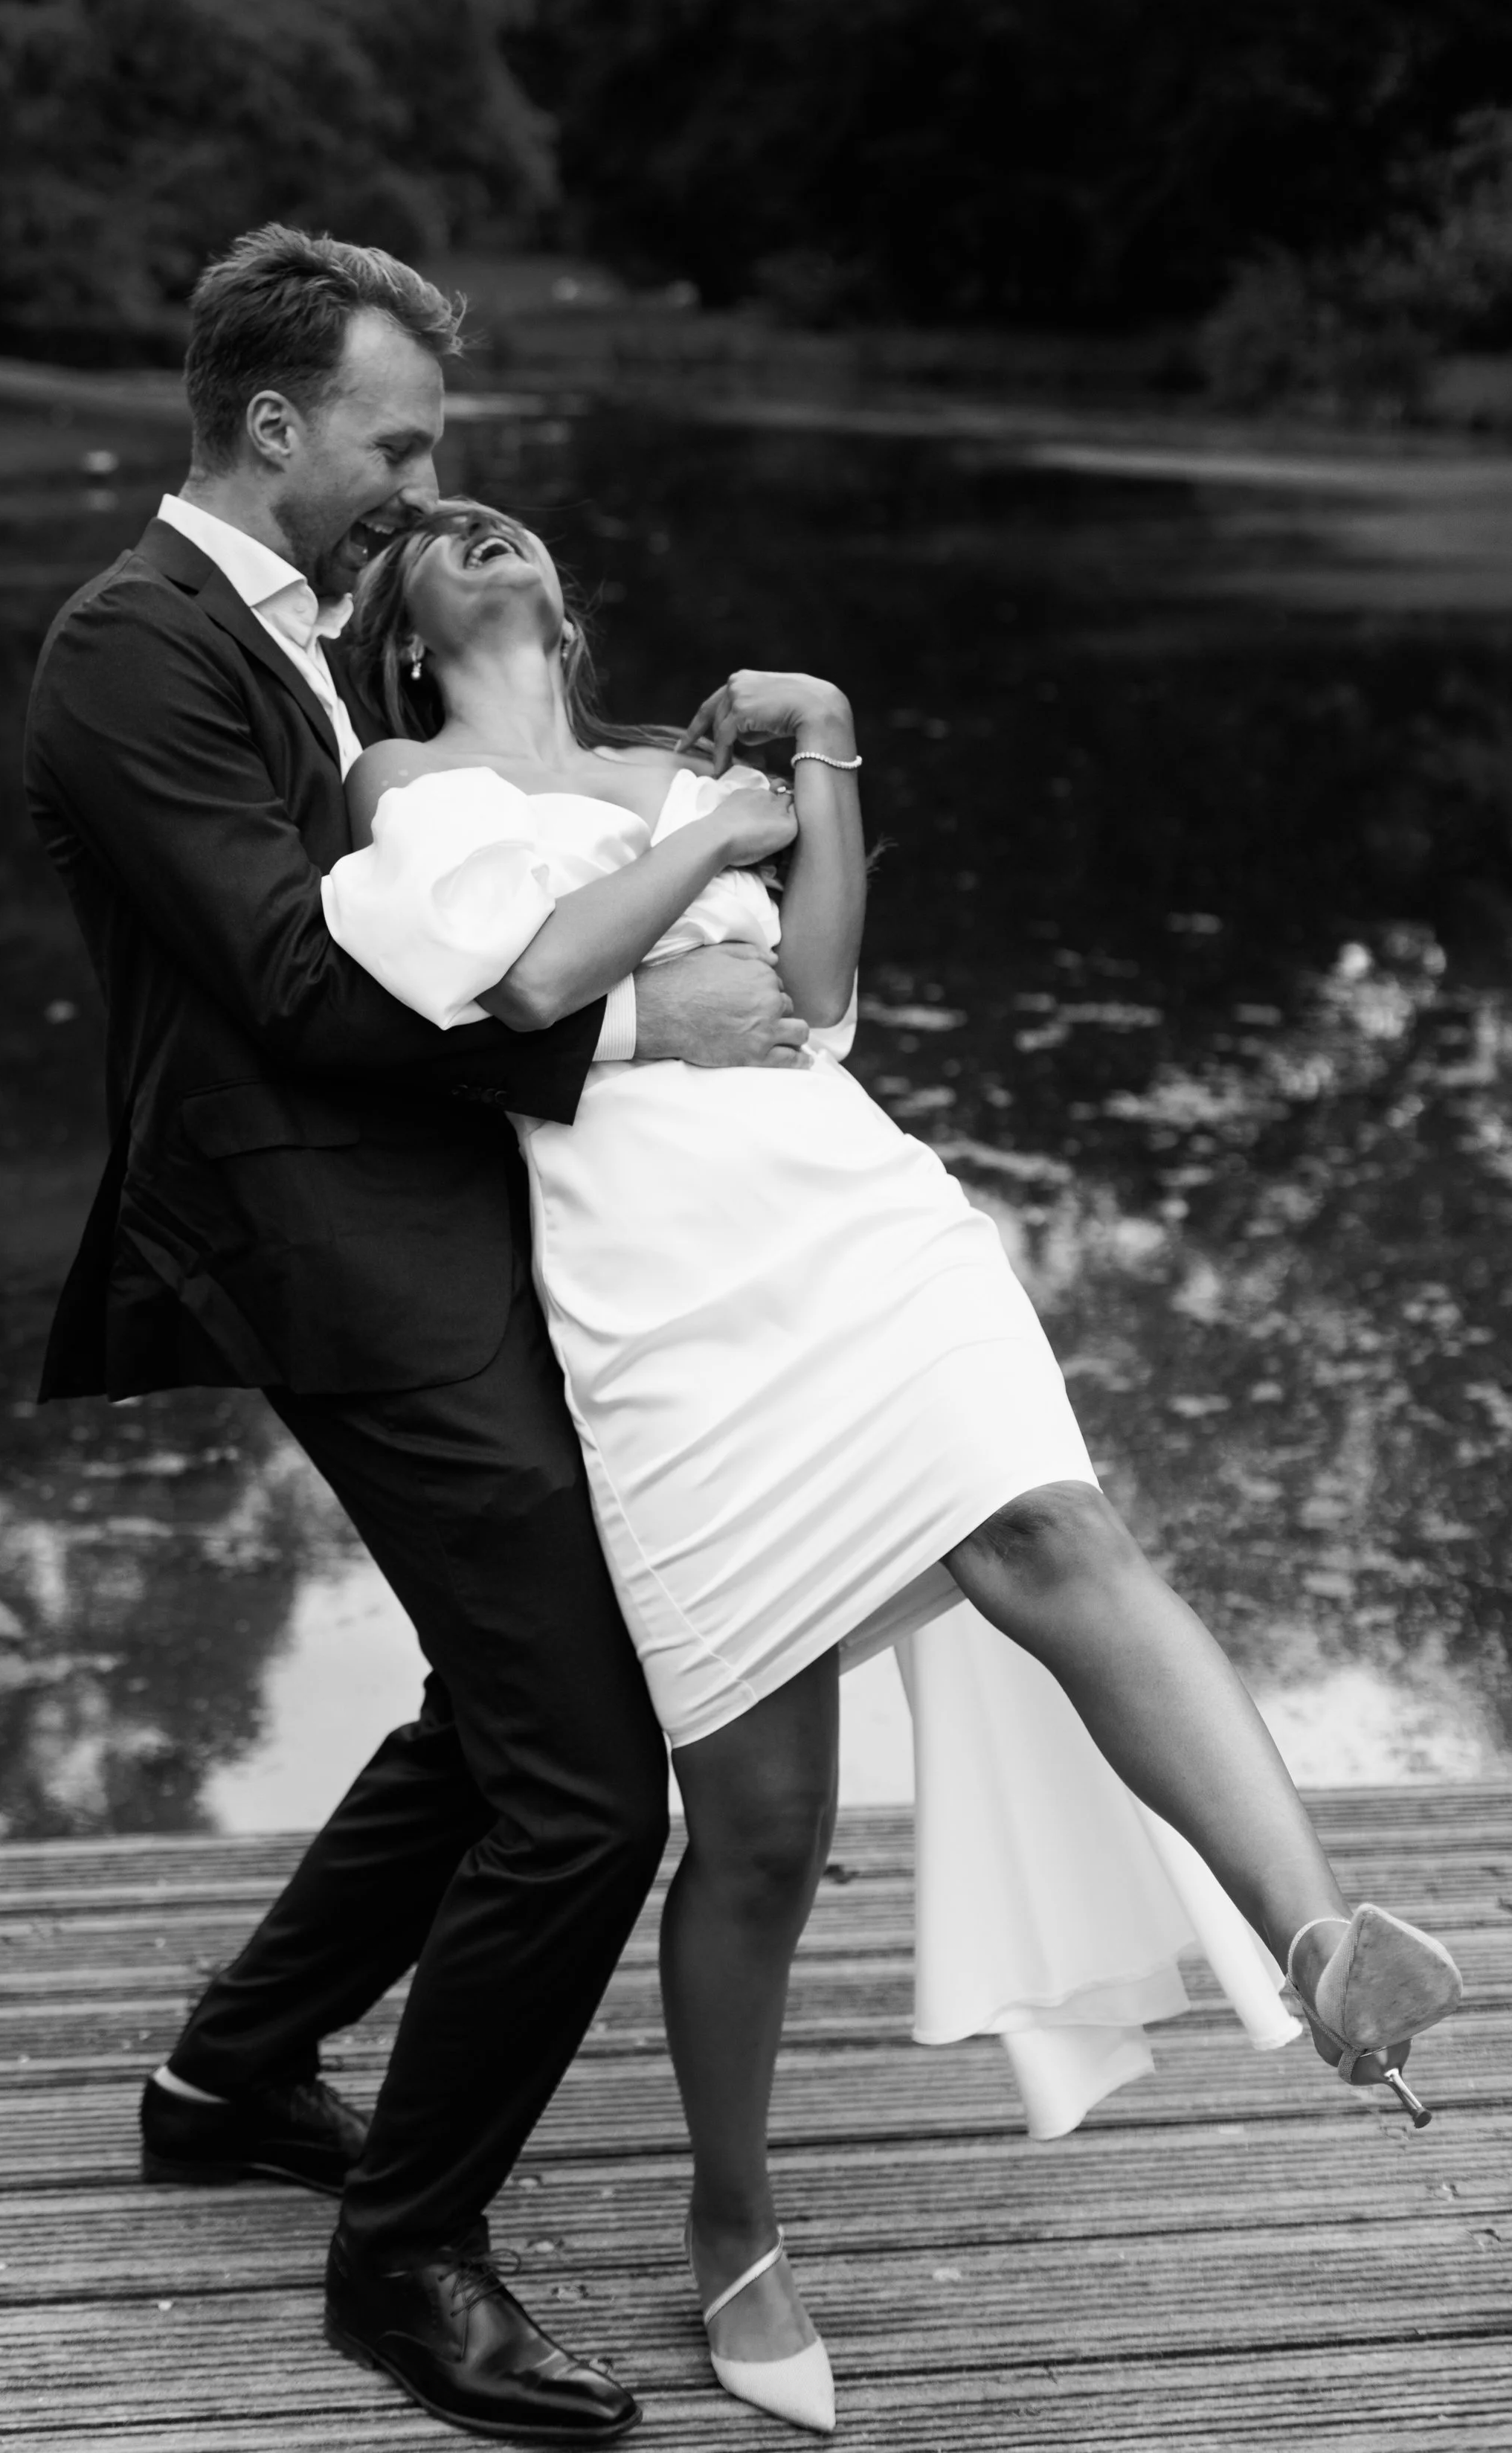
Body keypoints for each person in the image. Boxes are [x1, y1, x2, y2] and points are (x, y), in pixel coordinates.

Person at [321, 498, 1467, 2436]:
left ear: (567, 601)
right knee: (760, 1826)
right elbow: (512, 989)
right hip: (660, 1305)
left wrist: (823, 741)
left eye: (498, 510)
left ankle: (1316, 1935)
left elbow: (821, 999)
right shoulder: (396, 779)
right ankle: (732, 2217)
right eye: (430, 524)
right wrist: (711, 844)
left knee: (1054, 1528)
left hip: (855, 1217)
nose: (472, 523)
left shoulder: (664, 766)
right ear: (406, 632)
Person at [24, 225, 813, 2447]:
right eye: (398, 435)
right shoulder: (128, 649)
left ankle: (229, 2071)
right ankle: (405, 2258)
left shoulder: (292, 636)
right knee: (581, 1782)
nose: (417, 472)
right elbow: (290, 984)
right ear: (271, 422)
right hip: (319, 1247)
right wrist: (644, 1005)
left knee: (508, 1699)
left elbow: (444, 887)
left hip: (445, 1217)